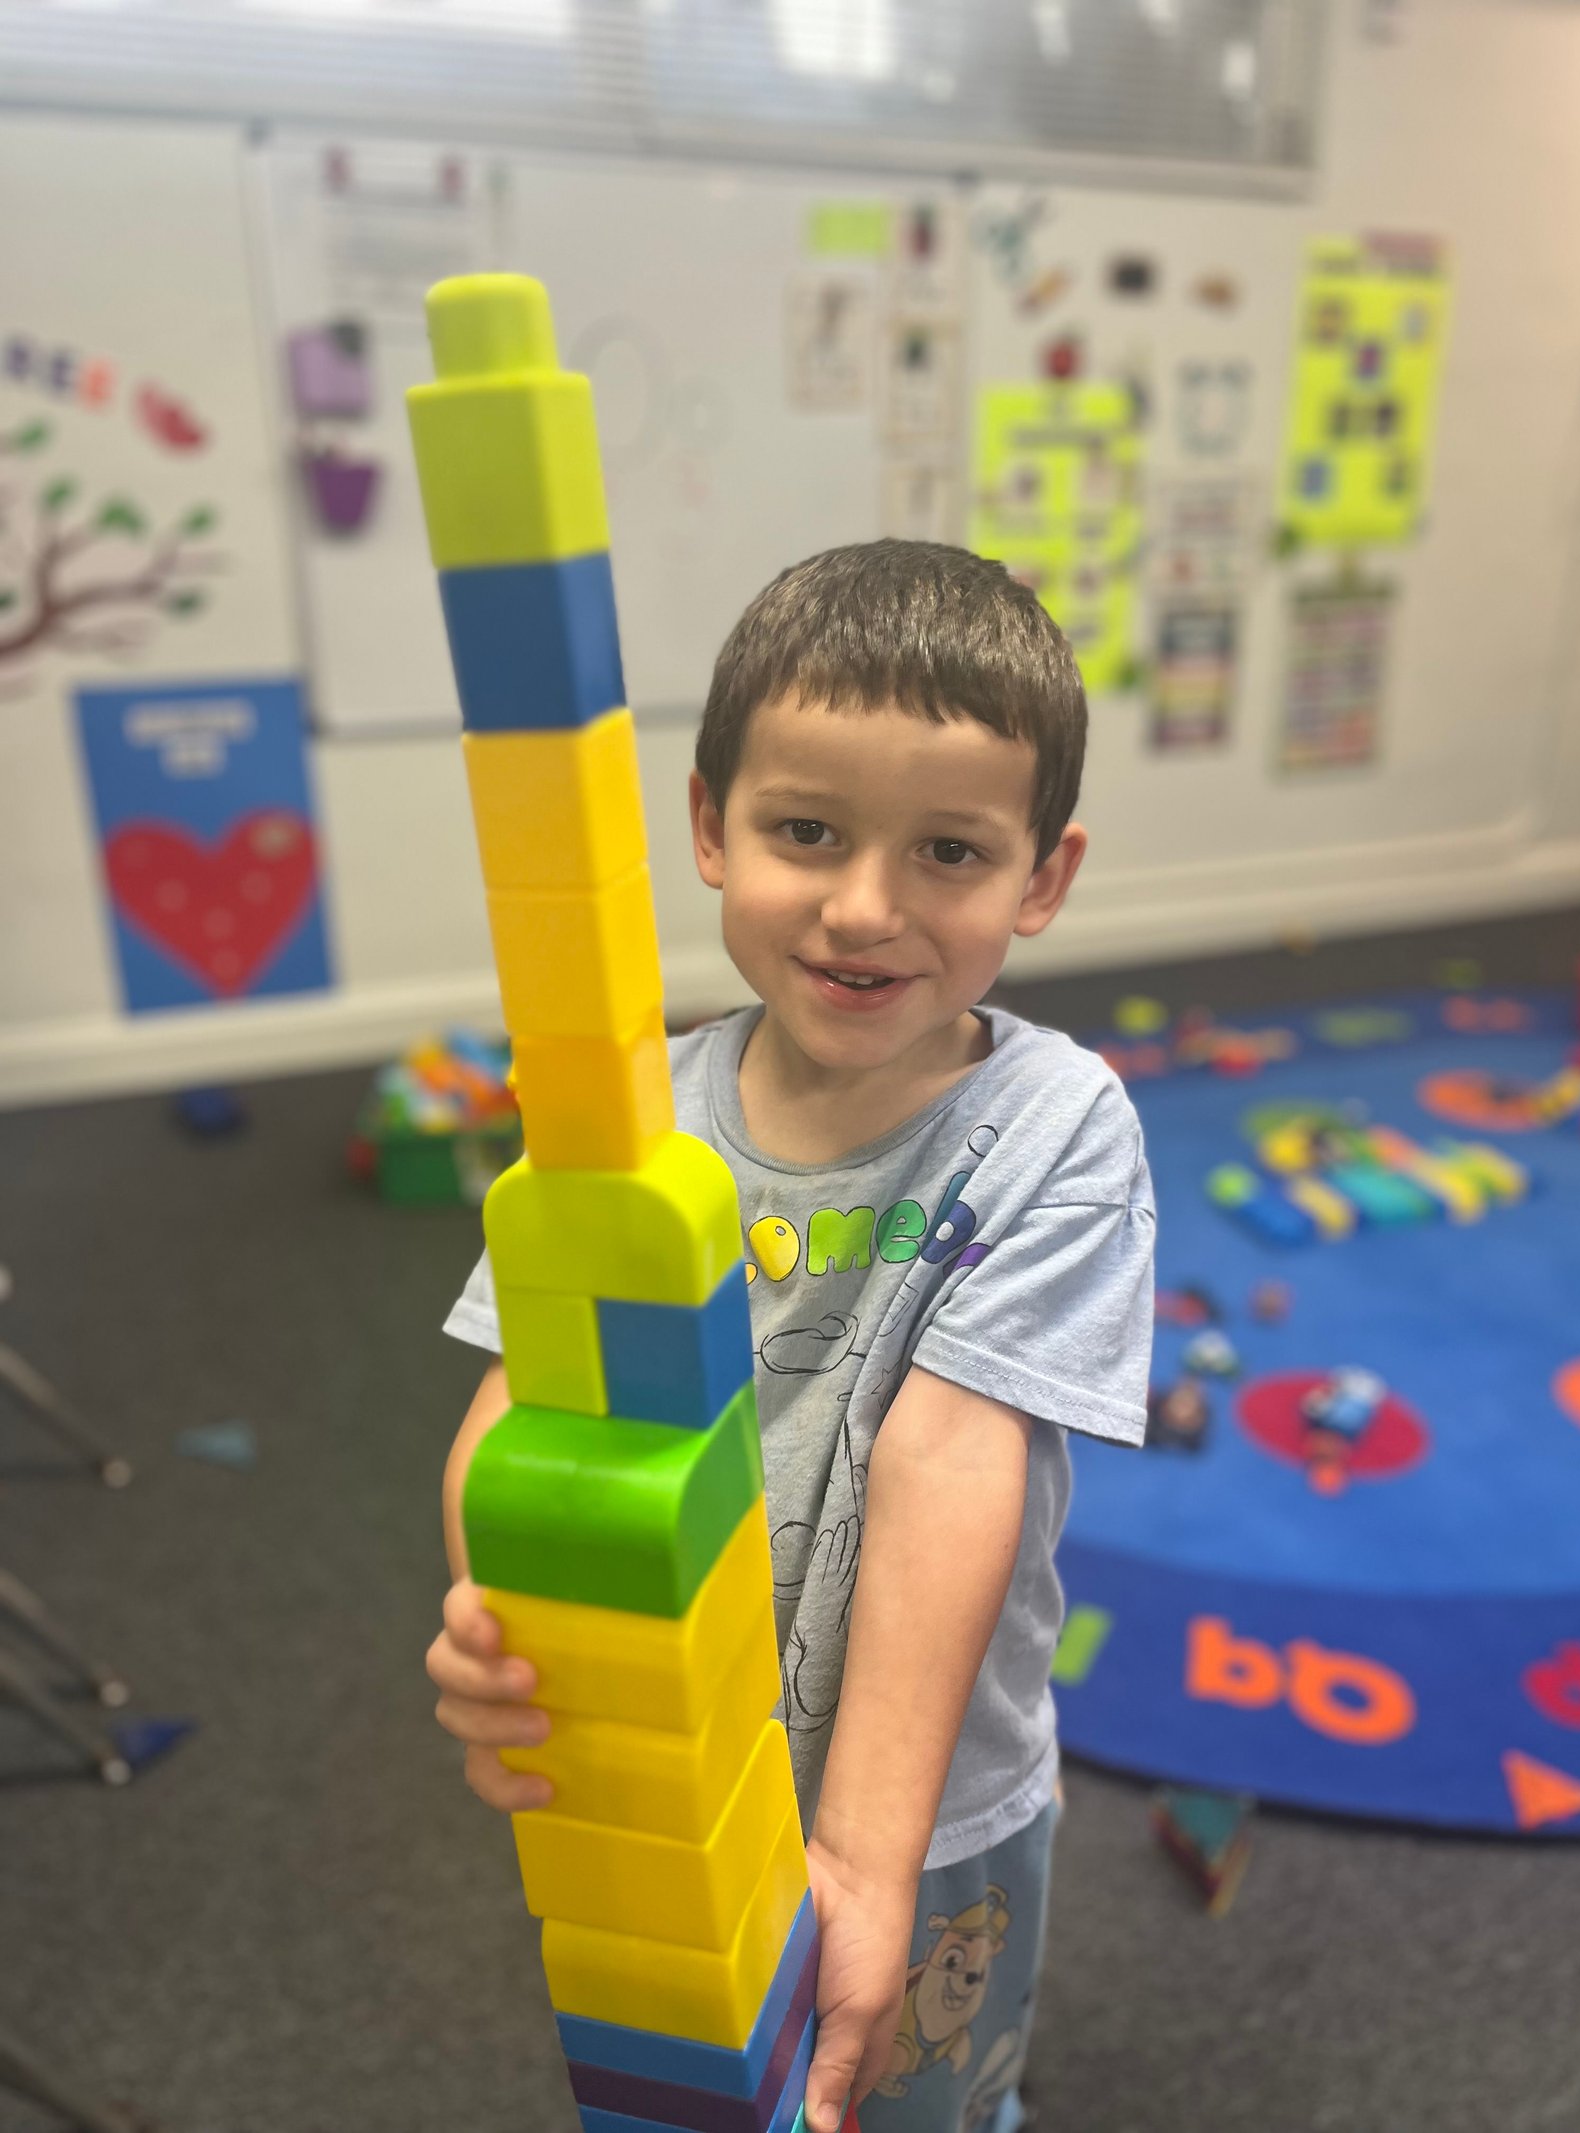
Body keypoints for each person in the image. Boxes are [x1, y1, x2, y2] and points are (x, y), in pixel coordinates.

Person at [427, 540, 1156, 2133]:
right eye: (806, 830)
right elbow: (528, 1400)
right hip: (668, 1783)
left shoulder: (1053, 1128)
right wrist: (501, 1611)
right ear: (709, 823)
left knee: (905, 2098)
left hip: (927, 1800)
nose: (863, 905)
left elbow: (949, 1450)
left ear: (1043, 875)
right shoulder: (628, 1112)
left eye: (950, 852)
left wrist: (871, 1856)